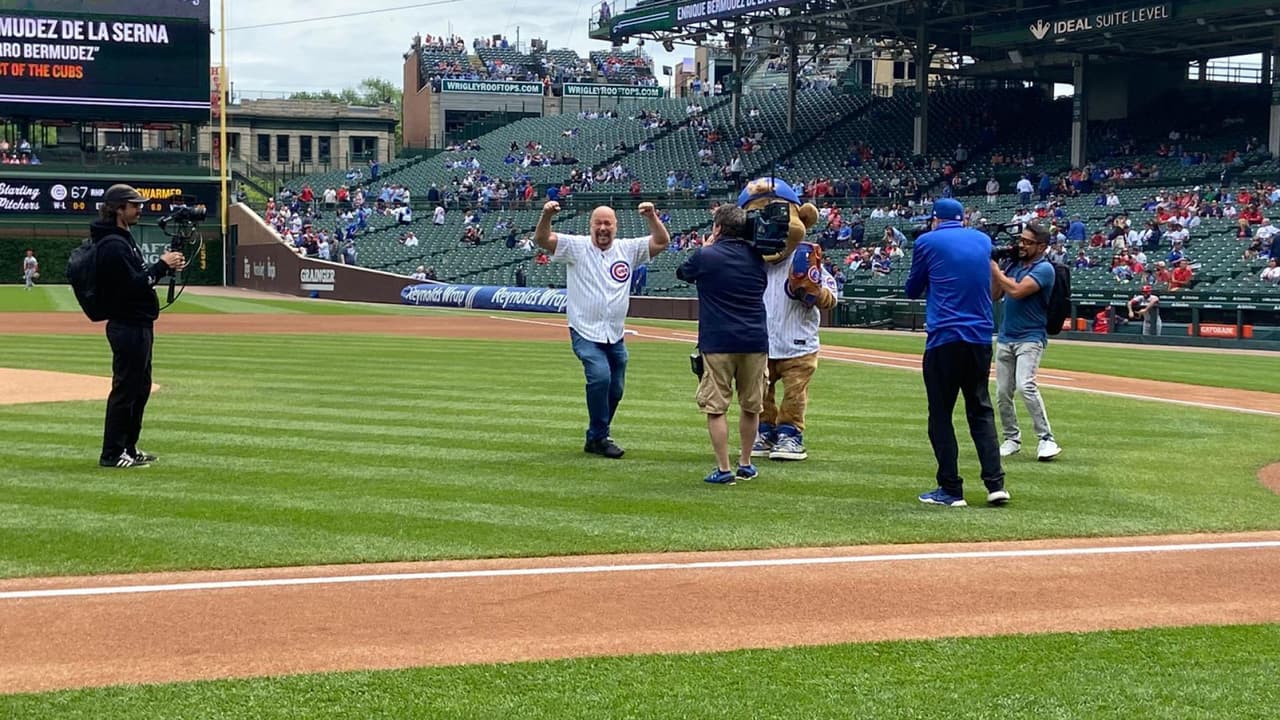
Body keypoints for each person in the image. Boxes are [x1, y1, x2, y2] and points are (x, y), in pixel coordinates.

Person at [535, 199, 670, 458]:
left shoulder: (627, 249)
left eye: (608, 223)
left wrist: (652, 217)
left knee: (616, 388)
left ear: (616, 226)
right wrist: (546, 215)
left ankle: (596, 435)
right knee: (600, 377)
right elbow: (542, 239)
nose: (603, 227)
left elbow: (661, 241)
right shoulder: (576, 247)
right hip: (585, 330)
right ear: (591, 226)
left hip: (615, 333)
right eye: (598, 223)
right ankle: (599, 436)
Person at [904, 198, 1007, 507]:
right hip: (979, 339)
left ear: (936, 219)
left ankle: (951, 489)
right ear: (962, 219)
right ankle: (995, 484)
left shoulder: (926, 241)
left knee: (940, 414)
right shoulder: (983, 239)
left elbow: (912, 288)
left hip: (944, 338)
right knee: (980, 408)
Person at [91, 184, 186, 468]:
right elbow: (131, 287)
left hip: (138, 323)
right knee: (126, 389)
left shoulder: (121, 238)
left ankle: (128, 448)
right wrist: (159, 266)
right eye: (134, 205)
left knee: (140, 388)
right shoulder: (112, 244)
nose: (139, 209)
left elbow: (137, 279)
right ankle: (112, 453)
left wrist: (163, 267)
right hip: (127, 325)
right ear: (119, 209)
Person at [676, 205, 768, 484]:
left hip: (718, 340)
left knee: (716, 406)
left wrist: (707, 247)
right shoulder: (758, 256)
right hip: (754, 338)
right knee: (751, 405)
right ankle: (746, 463)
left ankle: (724, 468)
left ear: (717, 227)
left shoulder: (707, 255)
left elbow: (683, 272)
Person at [753, 244, 837, 462]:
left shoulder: (805, 258)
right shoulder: (756, 260)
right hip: (762, 340)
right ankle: (764, 430)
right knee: (760, 391)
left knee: (795, 393)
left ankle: (790, 434)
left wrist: (815, 291)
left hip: (799, 342)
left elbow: (831, 296)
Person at [990, 223, 1062, 462]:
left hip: (1030, 337)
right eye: (1021, 240)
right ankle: (1011, 438)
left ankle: (1046, 439)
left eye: (1028, 242)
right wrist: (997, 269)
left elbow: (1019, 291)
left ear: (1041, 246)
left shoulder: (1044, 269)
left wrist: (995, 269)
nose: (1021, 245)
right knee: (1002, 392)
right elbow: (995, 294)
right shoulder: (1013, 265)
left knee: (1025, 386)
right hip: (1006, 336)